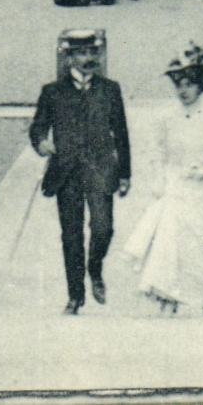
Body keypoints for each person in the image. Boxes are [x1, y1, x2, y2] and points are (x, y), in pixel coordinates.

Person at [124, 39, 203, 317]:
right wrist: (159, 181)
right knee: (171, 241)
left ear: (201, 85)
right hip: (176, 187)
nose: (183, 91)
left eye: (189, 84)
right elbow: (158, 153)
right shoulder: (167, 119)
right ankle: (168, 296)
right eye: (179, 85)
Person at [29, 38, 132, 315]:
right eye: (82, 53)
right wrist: (41, 143)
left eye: (92, 52)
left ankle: (94, 267)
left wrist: (124, 174)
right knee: (71, 236)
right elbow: (38, 126)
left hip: (101, 170)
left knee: (103, 228)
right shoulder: (52, 92)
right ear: (70, 58)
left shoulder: (110, 90)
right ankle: (75, 296)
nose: (89, 58)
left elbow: (121, 132)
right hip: (67, 173)